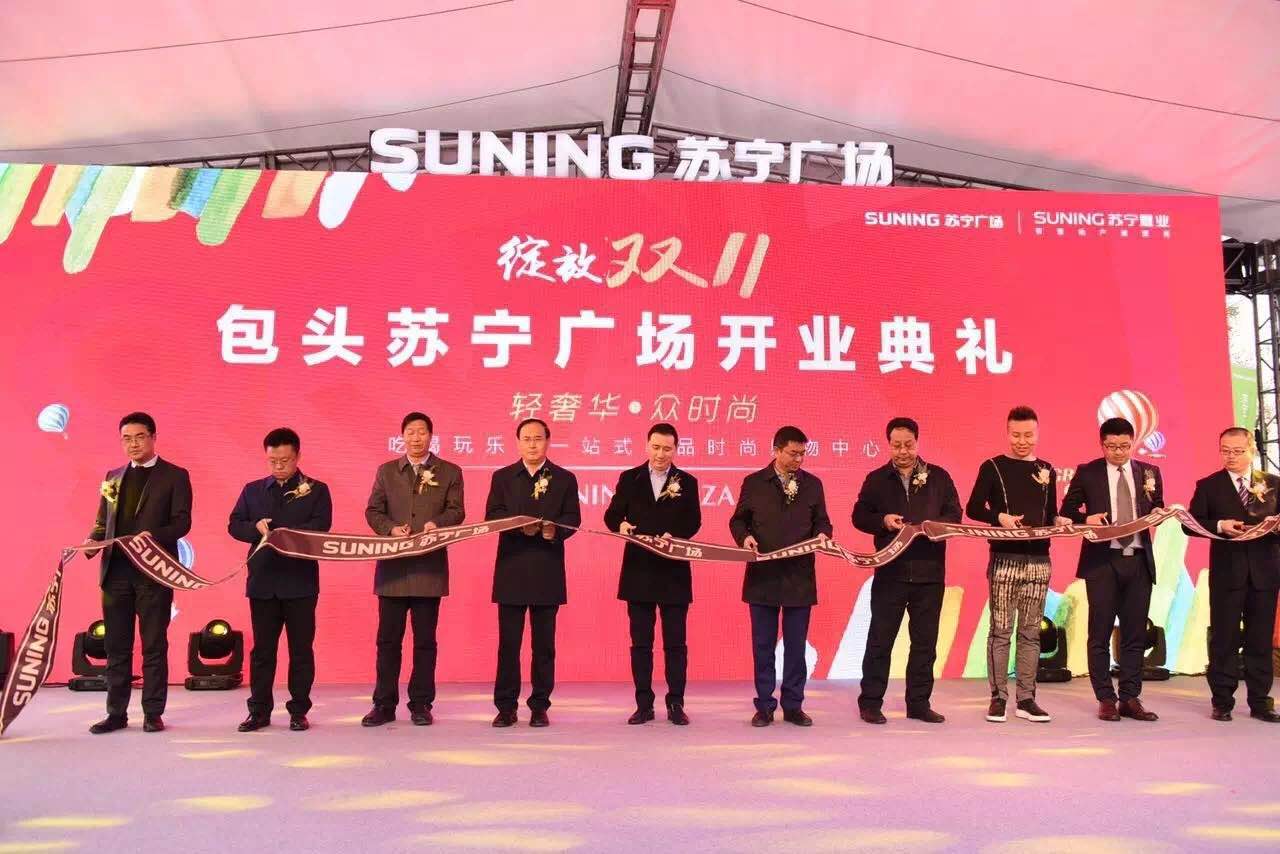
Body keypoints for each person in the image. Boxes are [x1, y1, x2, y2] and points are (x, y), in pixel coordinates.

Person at [84, 412, 192, 734]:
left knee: (153, 645)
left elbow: (182, 522)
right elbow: (103, 522)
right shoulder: (113, 477)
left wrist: (153, 536)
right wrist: (91, 542)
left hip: (153, 572)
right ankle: (116, 713)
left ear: (153, 437)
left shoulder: (175, 475)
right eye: (127, 439)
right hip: (115, 573)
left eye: (140, 437)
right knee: (116, 647)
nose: (133, 444)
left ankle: (152, 713)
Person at [852, 417, 961, 724]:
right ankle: (870, 703)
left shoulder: (939, 477)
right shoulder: (877, 479)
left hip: (930, 573)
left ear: (917, 442)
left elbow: (954, 513)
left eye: (908, 445)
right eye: (896, 445)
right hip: (890, 572)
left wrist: (936, 526)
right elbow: (859, 515)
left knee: (925, 643)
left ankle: (919, 703)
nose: (903, 451)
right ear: (888, 444)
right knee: (880, 640)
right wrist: (882, 521)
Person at [966, 406, 1070, 724]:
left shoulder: (1047, 470)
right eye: (1016, 435)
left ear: (1037, 433)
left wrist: (1059, 520)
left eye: (1028, 435)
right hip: (1004, 560)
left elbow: (1049, 513)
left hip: (1039, 561)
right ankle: (998, 699)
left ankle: (1026, 699)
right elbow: (972, 508)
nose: (1022, 441)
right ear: (1007, 433)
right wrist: (999, 517)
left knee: (1030, 633)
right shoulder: (992, 467)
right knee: (1000, 631)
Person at [361, 412, 464, 727]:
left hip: (428, 568)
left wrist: (438, 523)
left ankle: (421, 704)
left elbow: (457, 511)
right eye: (410, 432)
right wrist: (390, 529)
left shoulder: (450, 471)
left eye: (421, 432)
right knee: (387, 641)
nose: (416, 437)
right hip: (392, 569)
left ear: (431, 436)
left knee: (425, 642)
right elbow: (373, 510)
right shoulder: (387, 471)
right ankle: (383, 704)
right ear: (402, 436)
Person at [229, 428, 332, 732]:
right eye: (273, 461)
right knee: (262, 652)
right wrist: (255, 527)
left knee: (301, 651)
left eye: (284, 460)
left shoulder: (317, 489)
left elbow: (322, 526)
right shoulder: (252, 490)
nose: (278, 466)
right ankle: (258, 711)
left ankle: (298, 711)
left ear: (297, 456)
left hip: (300, 582)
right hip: (262, 582)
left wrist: (284, 532)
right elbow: (234, 524)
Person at [729, 425, 832, 727]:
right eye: (792, 453)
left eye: (802, 454)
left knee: (796, 647)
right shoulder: (754, 483)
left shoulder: (813, 485)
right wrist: (745, 538)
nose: (798, 459)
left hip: (800, 577)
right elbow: (738, 521)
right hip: (763, 575)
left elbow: (823, 522)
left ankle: (793, 705)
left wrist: (823, 535)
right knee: (763, 646)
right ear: (776, 450)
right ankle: (764, 705)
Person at [1061, 417, 1162, 722]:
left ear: (1133, 443)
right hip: (1102, 563)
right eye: (1111, 446)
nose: (1118, 452)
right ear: (1102, 444)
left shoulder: (1150, 472)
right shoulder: (1088, 472)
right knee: (1100, 633)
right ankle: (1106, 697)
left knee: (1134, 635)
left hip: (1139, 561)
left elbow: (1157, 504)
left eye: (1124, 446)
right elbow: (1067, 511)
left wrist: (1159, 513)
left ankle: (1130, 698)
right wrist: (1086, 520)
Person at [603, 423, 702, 726]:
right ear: (647, 446)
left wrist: (676, 535)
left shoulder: (687, 481)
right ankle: (643, 704)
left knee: (676, 644)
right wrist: (620, 525)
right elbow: (612, 515)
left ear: (676, 449)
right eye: (656, 447)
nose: (660, 454)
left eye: (667, 449)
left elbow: (694, 521)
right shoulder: (629, 478)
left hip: (673, 571)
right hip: (639, 572)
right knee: (641, 644)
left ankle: (676, 703)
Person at [486, 418, 581, 727]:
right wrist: (518, 526)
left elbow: (572, 518)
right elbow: (492, 516)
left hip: (547, 569)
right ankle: (506, 707)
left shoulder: (564, 478)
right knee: (508, 645)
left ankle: (540, 706)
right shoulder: (502, 477)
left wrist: (556, 531)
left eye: (538, 438)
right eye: (526, 438)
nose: (532, 444)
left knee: (544, 646)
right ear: (517, 442)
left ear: (547, 441)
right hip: (511, 569)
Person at [1185, 427, 1280, 722]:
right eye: (1225, 451)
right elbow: (1189, 524)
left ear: (1252, 450)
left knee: (1259, 639)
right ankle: (1222, 701)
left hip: (1265, 572)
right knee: (1224, 639)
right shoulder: (1209, 485)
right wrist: (1219, 526)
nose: (1231, 456)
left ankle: (1260, 701)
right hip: (1228, 574)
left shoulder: (1273, 484)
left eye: (1238, 451)